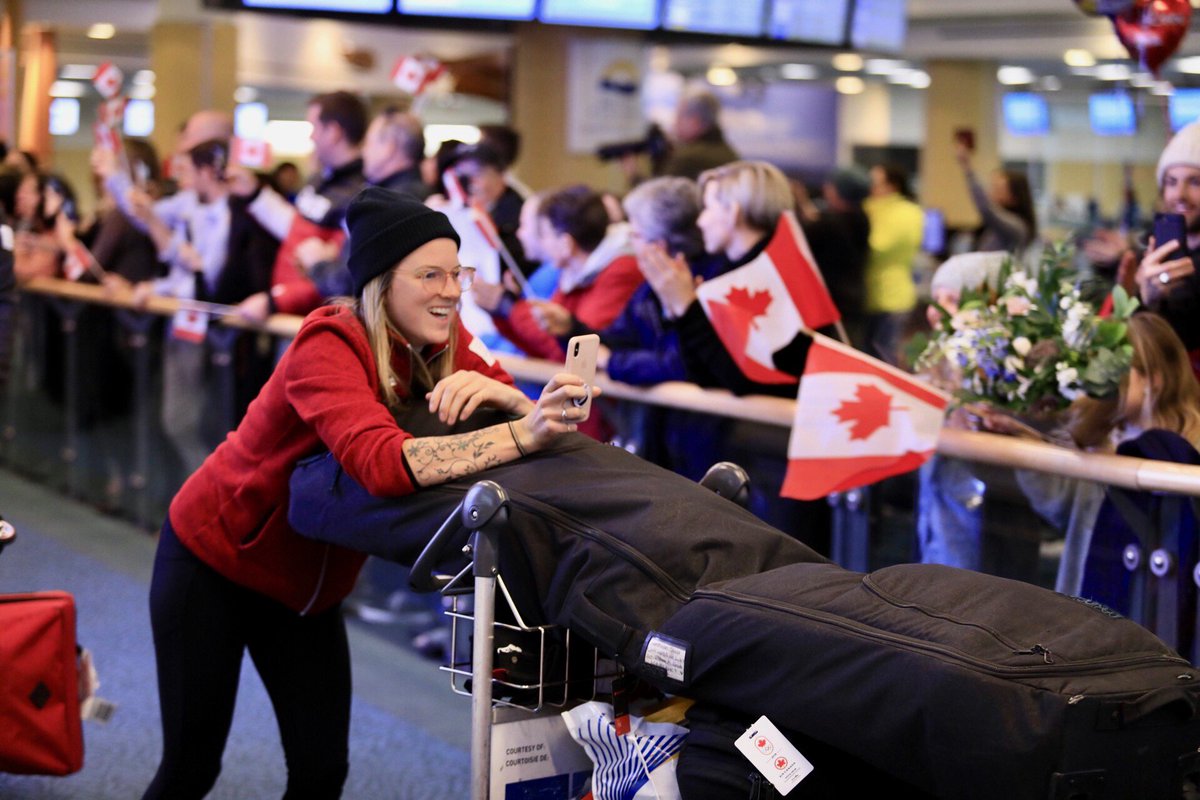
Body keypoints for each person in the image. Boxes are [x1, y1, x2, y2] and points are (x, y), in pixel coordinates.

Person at [142, 187, 591, 798]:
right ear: (382, 281)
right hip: (214, 562)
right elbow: (382, 465)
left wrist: (516, 406)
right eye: (430, 275)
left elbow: (518, 414)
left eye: (457, 273)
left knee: (323, 771)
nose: (451, 291)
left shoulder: (447, 339)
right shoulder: (328, 341)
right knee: (192, 768)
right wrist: (524, 430)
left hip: (307, 590)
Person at [999, 312, 1200, 595]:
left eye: (1115, 369)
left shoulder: (1191, 450)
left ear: (1153, 379)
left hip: (1162, 600)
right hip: (1092, 598)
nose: (1099, 381)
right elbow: (1061, 507)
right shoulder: (1097, 435)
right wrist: (1021, 436)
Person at [233, 90, 368, 320]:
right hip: (289, 310)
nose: (311, 137)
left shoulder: (360, 193)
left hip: (316, 319)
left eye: (313, 128)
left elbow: (337, 275)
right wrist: (254, 194)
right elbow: (295, 231)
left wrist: (275, 302)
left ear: (333, 132)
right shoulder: (320, 179)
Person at [794, 167, 872, 350]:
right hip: (853, 300)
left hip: (830, 303)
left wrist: (798, 201)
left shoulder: (829, 224)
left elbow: (805, 231)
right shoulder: (862, 218)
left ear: (837, 191)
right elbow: (817, 221)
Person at [862, 163, 924, 364]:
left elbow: (878, 247)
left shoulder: (907, 212)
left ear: (892, 186)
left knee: (884, 361)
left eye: (875, 183)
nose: (869, 187)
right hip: (869, 296)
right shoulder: (870, 207)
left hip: (891, 297)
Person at [954, 138, 1038, 259]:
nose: (990, 193)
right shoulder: (993, 227)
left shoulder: (1017, 226)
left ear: (1014, 197)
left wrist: (967, 167)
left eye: (998, 189)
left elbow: (986, 209)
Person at [659, 88, 739, 180]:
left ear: (694, 121)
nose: (675, 124)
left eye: (679, 117)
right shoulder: (730, 154)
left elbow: (660, 192)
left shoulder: (687, 159)